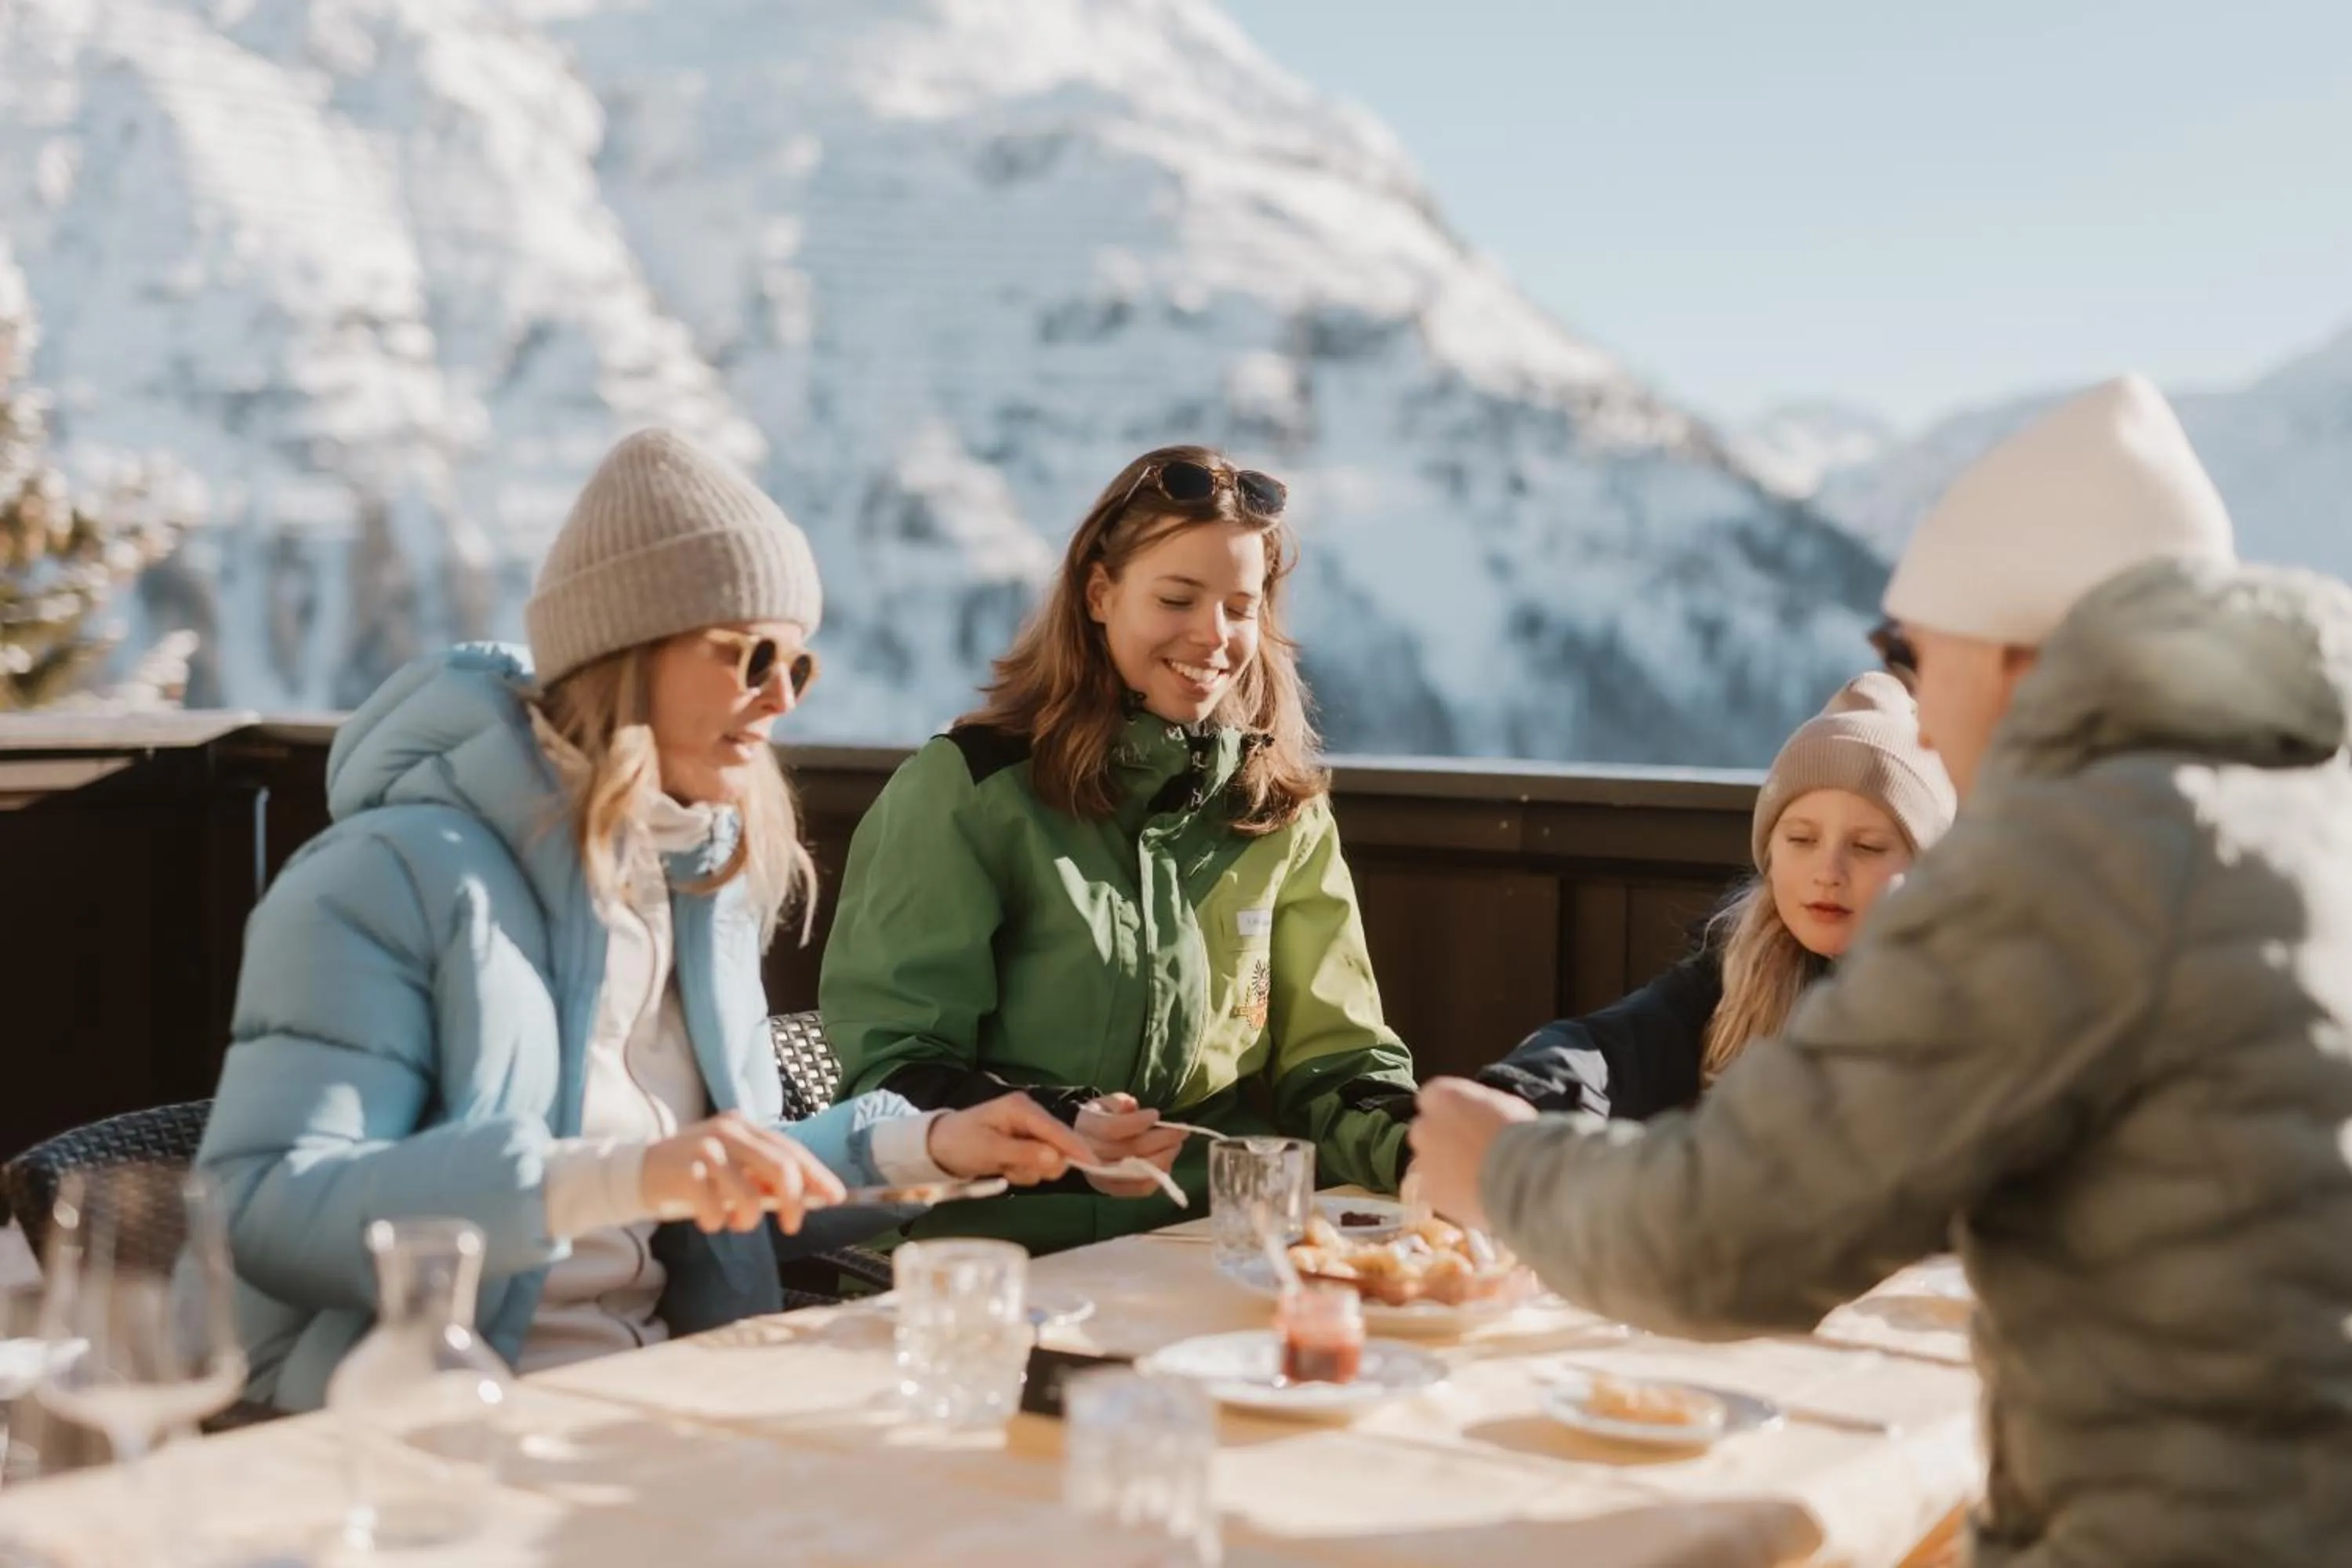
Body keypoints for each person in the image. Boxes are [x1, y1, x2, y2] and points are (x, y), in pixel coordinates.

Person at [1408, 376, 2352, 1565]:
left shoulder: (2069, 865)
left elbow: (1732, 1241)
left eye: (1910, 654)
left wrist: (1503, 1169)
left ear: (2014, 653)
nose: (1911, 700)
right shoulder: (2301, 809)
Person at [197, 429, 1091, 1413]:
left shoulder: (698, 880)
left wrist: (932, 1144)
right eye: (750, 655)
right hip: (425, 1420)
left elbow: (728, 1185)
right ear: (624, 647)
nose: (778, 699)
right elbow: (267, 1208)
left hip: (658, 1397)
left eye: (800, 666)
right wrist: (620, 1176)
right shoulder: (386, 879)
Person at [822, 445, 1418, 1254]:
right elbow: (895, 1072)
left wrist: (1430, 1152)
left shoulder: (1276, 810)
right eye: (1178, 598)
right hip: (1006, 1252)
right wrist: (1070, 1125)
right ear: (1101, 594)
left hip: (1214, 1246)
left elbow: (1338, 1062)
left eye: (1241, 608)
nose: (1213, 636)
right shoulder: (970, 791)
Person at [1476, 671, 1952, 1119]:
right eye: (1801, 840)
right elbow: (1611, 1046)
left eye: (1867, 847)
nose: (1827, 872)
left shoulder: (1969, 995)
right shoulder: (1739, 968)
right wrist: (1521, 1100)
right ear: (1769, 854)